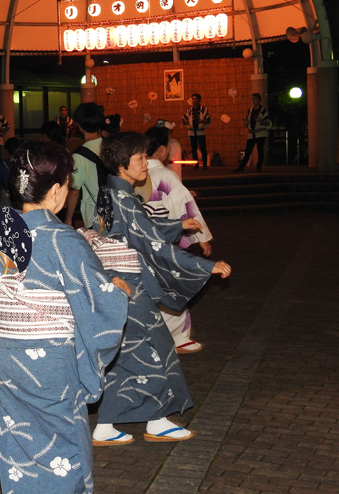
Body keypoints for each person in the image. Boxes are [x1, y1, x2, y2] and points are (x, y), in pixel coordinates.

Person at [0, 140, 128, 494]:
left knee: (19, 436)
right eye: (67, 184)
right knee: (64, 440)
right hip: (49, 357)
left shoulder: (6, 233)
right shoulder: (62, 239)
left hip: (7, 354)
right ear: (55, 190)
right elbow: (97, 303)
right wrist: (116, 291)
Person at [96, 131, 231, 443]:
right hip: (130, 287)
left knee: (125, 355)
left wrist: (177, 225)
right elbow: (151, 243)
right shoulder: (124, 199)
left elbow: (141, 231)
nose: (146, 163)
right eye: (140, 158)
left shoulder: (111, 193)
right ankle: (156, 421)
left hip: (117, 284)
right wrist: (205, 266)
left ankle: (106, 426)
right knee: (154, 349)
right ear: (122, 165)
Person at [139, 126, 214, 353]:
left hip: (141, 240)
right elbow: (186, 207)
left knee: (148, 288)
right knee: (173, 286)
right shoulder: (165, 175)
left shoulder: (135, 174)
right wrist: (201, 237)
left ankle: (152, 335)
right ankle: (178, 337)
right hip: (165, 240)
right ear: (162, 150)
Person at [64, 102, 105, 228]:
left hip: (95, 217)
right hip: (116, 211)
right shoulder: (110, 146)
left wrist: (68, 219)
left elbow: (74, 191)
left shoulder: (79, 156)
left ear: (80, 126)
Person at [234, 93, 272, 173]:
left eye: (255, 99)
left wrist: (260, 121)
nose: (253, 101)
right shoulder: (250, 110)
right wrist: (246, 122)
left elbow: (268, 123)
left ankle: (258, 167)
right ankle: (241, 167)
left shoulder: (263, 111)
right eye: (252, 99)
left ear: (259, 101)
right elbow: (248, 122)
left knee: (260, 150)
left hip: (261, 133)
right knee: (248, 151)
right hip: (251, 134)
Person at [182, 93, 211, 169]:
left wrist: (202, 121)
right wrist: (187, 123)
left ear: (199, 100)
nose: (194, 101)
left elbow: (208, 120)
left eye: (195, 99)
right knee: (193, 149)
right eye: (193, 99)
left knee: (202, 149)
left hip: (201, 132)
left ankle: (204, 165)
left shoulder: (204, 110)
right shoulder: (189, 111)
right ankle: (196, 165)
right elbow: (184, 119)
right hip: (191, 132)